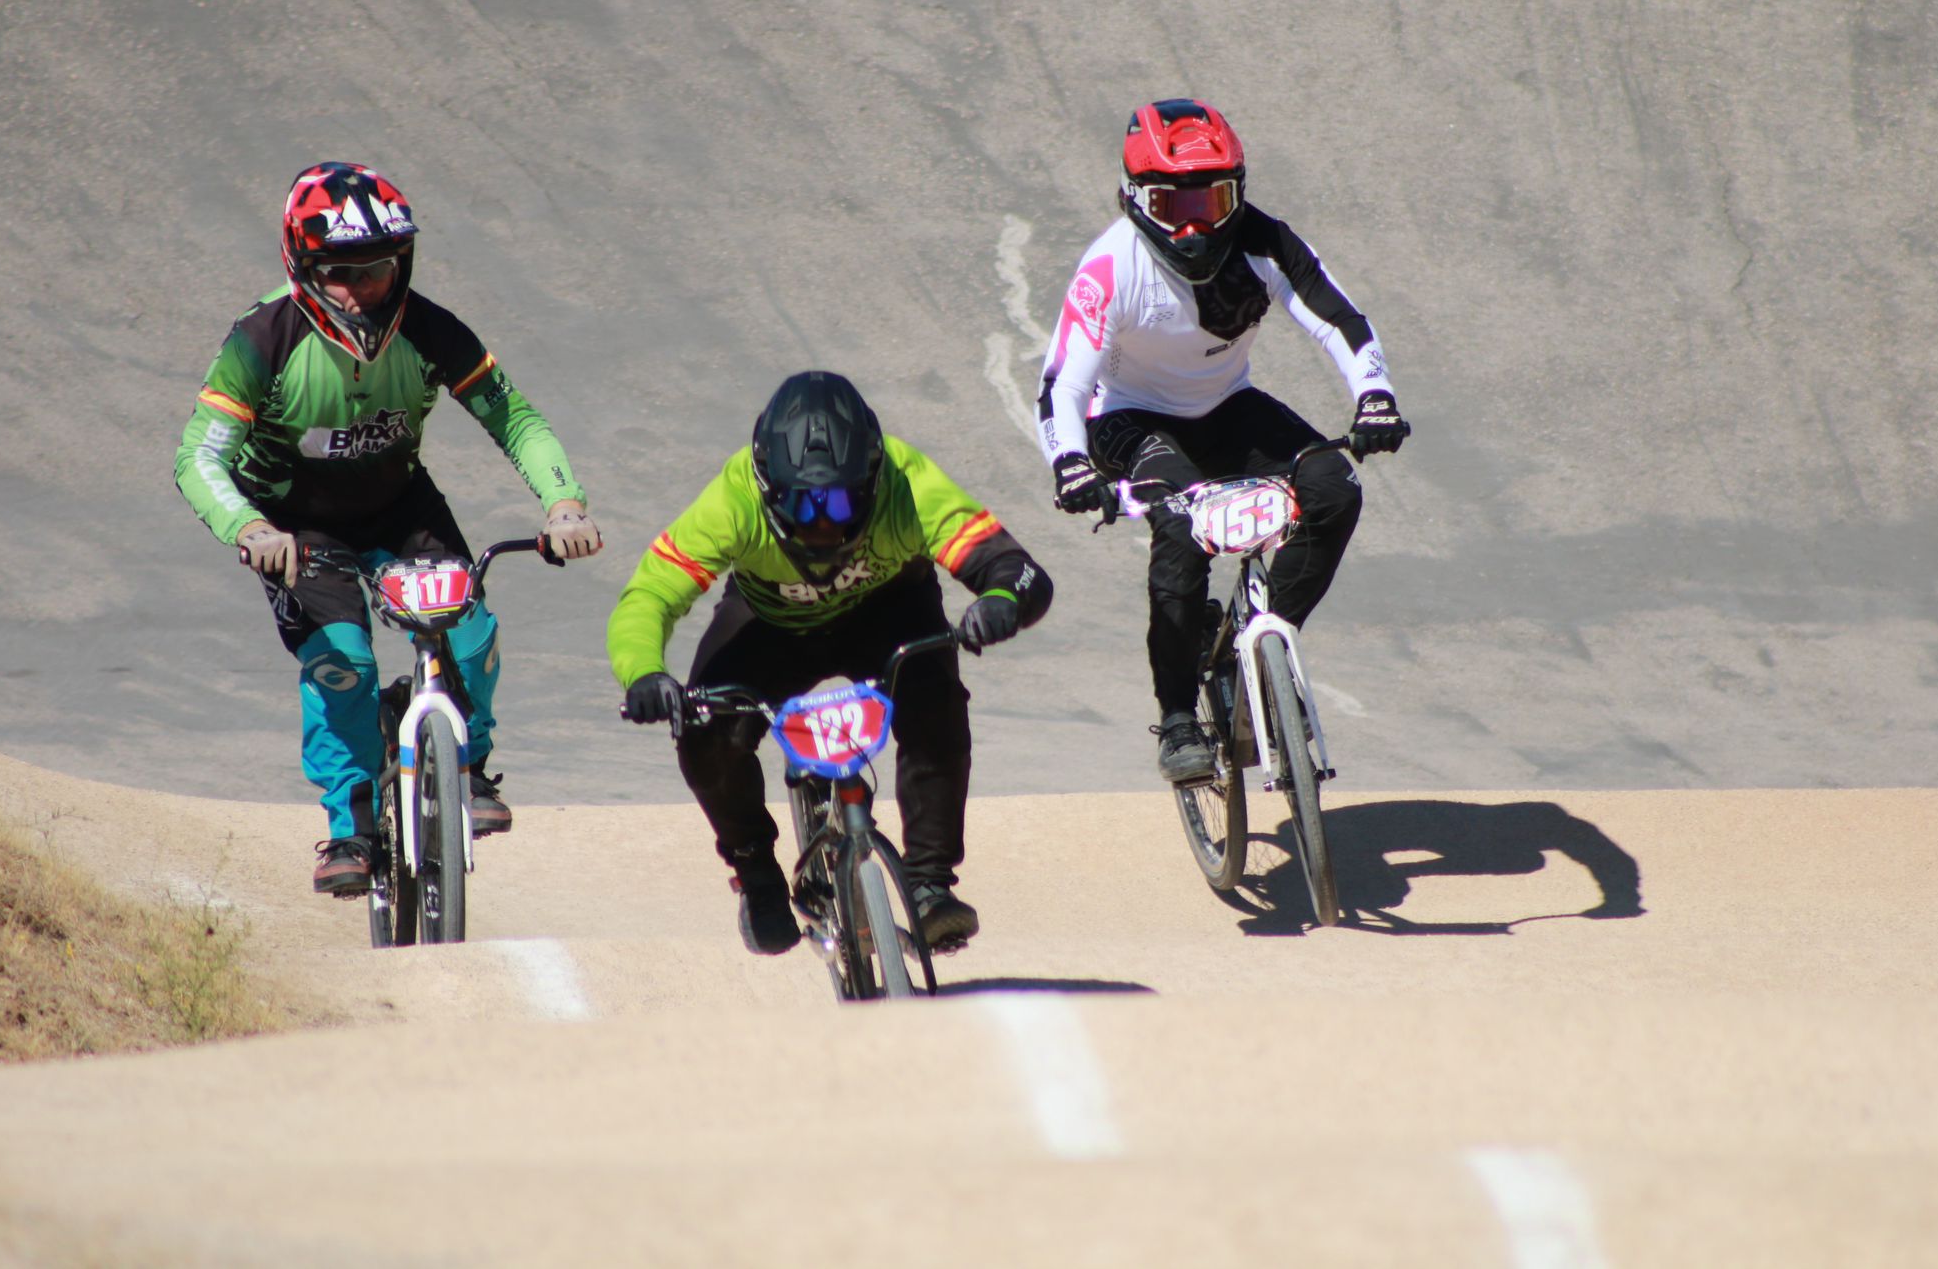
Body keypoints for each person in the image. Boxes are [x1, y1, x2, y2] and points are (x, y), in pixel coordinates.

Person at [174, 161, 602, 895]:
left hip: (400, 507)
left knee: (471, 634)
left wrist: (563, 504)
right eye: (336, 272)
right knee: (345, 665)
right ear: (301, 264)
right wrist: (249, 529)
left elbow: (516, 418)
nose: (358, 290)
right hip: (295, 526)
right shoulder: (262, 338)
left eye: (375, 271)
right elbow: (197, 456)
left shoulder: (431, 328)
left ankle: (470, 762)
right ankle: (350, 824)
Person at [609, 371, 1052, 956]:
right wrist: (643, 673)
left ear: (871, 479)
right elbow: (650, 595)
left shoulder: (907, 479)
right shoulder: (732, 498)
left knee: (935, 705)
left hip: (889, 609)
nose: (821, 523)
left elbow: (1017, 571)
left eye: (840, 501)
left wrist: (1000, 601)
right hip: (770, 623)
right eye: (801, 503)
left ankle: (928, 886)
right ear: (766, 486)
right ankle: (757, 871)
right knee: (703, 729)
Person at [1035, 99, 1409, 783]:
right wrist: (1068, 464)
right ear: (1132, 200)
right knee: (1180, 530)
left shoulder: (1266, 240)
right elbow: (1060, 385)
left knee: (1335, 489)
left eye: (1211, 201)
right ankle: (1178, 718)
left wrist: (1375, 396)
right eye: (1170, 204)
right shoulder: (1109, 268)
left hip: (1227, 407)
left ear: (1239, 193)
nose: (1192, 225)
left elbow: (1340, 321)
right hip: (1130, 419)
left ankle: (1258, 643)